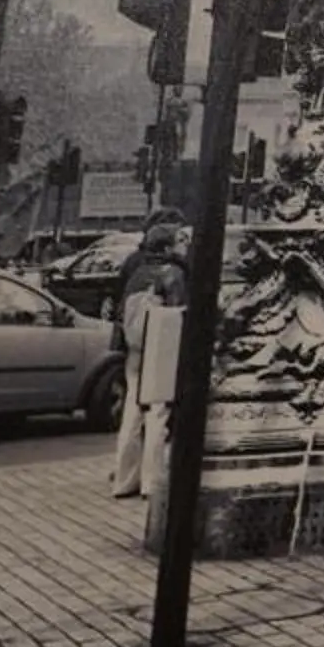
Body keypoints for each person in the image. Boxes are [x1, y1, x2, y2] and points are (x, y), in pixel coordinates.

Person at [108, 214, 190, 500]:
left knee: (132, 411)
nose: (184, 244)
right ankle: (152, 482)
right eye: (180, 240)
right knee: (158, 412)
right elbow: (180, 314)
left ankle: (124, 478)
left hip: (134, 349)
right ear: (167, 247)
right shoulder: (175, 274)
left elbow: (120, 312)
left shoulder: (137, 273)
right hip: (161, 348)